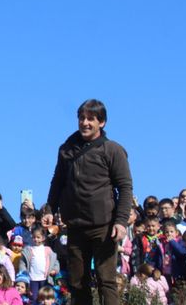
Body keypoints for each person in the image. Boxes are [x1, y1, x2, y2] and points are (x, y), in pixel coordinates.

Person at [46, 99, 134, 305]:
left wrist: (120, 221)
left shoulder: (112, 150)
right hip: (75, 225)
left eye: (91, 119)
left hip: (103, 225)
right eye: (81, 118)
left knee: (106, 280)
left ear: (102, 123)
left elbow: (125, 187)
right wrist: (50, 208)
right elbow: (57, 181)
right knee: (77, 282)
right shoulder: (66, 150)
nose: (85, 122)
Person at [17, 228, 59, 303]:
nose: (36, 239)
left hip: (45, 278)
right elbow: (22, 263)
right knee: (33, 297)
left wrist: (54, 270)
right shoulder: (28, 250)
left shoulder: (47, 250)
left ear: (43, 238)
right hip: (32, 278)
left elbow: (55, 261)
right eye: (34, 237)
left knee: (45, 298)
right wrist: (24, 274)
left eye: (38, 237)